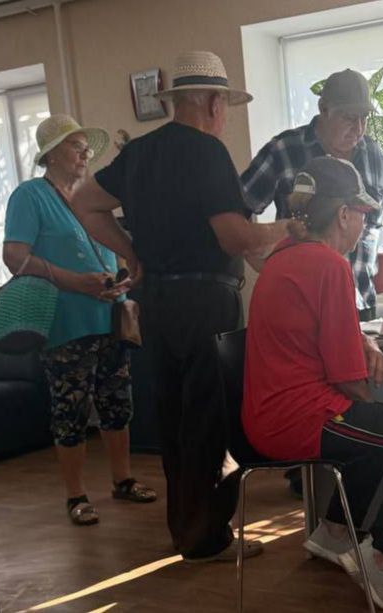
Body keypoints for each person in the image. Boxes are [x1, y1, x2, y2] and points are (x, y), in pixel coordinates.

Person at [72, 51, 290, 562]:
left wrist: (131, 254)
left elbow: (84, 203)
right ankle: (207, 538)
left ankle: (186, 532)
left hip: (157, 302)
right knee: (210, 421)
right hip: (207, 304)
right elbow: (235, 237)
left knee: (174, 420)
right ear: (214, 102)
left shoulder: (139, 152)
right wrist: (288, 228)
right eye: (226, 106)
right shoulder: (208, 151)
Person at [243, 156, 383, 610]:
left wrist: (365, 343)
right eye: (363, 215)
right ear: (343, 214)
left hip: (268, 415)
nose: (365, 225)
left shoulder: (283, 257)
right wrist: (369, 397)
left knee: (373, 433)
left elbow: (322, 332)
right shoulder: (328, 264)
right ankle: (378, 555)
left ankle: (333, 532)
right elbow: (347, 379)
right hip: (299, 418)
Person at [2, 114, 156, 526]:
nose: (85, 153)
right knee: (71, 411)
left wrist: (120, 279)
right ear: (51, 154)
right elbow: (14, 257)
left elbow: (109, 251)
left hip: (109, 318)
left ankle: (123, 480)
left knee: (118, 404)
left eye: (86, 146)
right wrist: (75, 282)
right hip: (65, 324)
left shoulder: (90, 196)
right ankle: (76, 495)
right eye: (75, 145)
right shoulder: (30, 196)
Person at [241, 68, 383, 322]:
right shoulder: (284, 150)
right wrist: (270, 268)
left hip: (361, 306)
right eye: (349, 118)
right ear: (323, 108)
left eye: (364, 118)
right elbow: (236, 217)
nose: (359, 128)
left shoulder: (374, 155)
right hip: (301, 308)